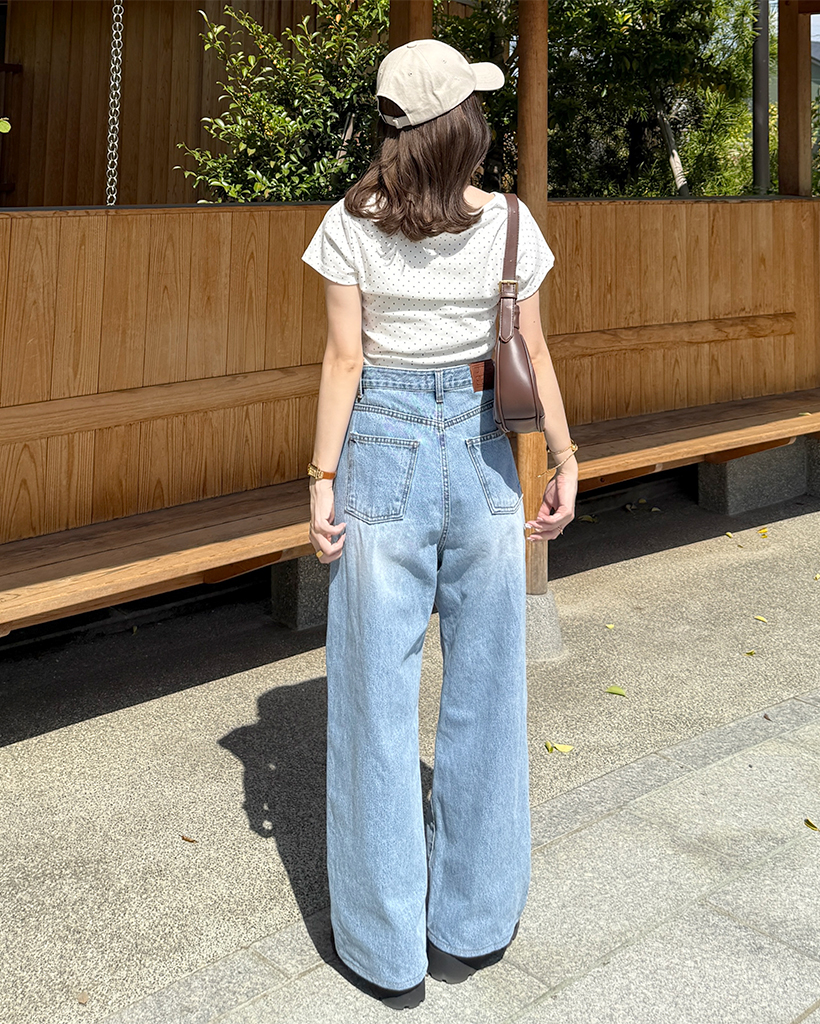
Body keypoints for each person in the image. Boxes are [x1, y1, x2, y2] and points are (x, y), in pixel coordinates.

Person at [301, 38, 578, 1010]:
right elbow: (533, 351)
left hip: (381, 443)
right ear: (462, 125)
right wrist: (564, 458)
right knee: (490, 687)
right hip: (485, 449)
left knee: (372, 698)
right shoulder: (509, 225)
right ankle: (474, 922)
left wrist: (321, 479)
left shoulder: (349, 222)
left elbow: (344, 361)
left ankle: (384, 950)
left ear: (393, 129)